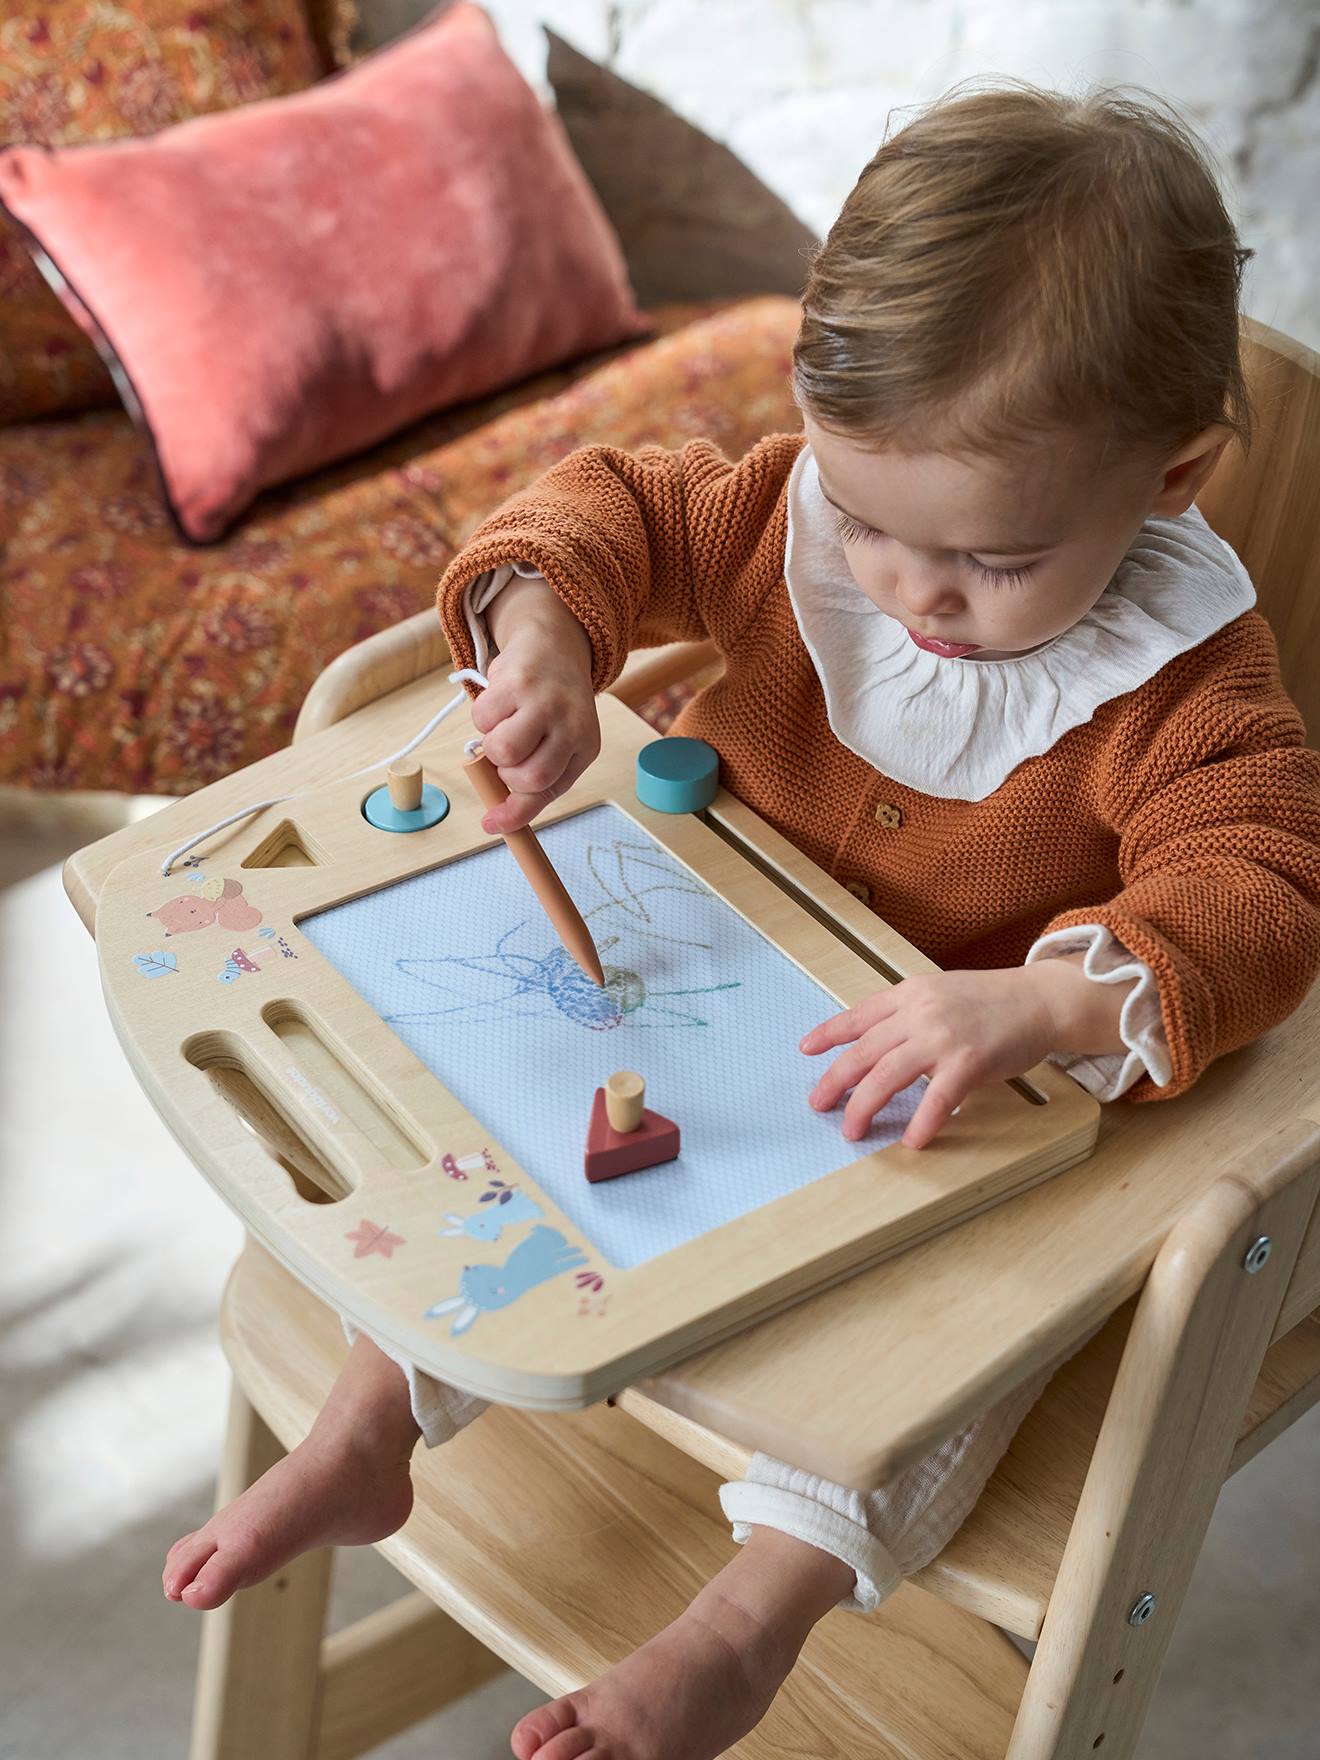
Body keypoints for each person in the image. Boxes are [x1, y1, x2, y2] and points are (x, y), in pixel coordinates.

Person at [164, 80, 1320, 1760]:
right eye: (865, 522)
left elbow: (1267, 887)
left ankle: (745, 1619)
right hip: (710, 993)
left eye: (991, 562)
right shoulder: (804, 522)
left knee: (953, 1360)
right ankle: (373, 1414)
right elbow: (612, 513)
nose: (913, 597)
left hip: (951, 1104)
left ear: (1174, 479)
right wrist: (550, 642)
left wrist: (1053, 1007)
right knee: (506, 1144)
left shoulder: (1183, 682)